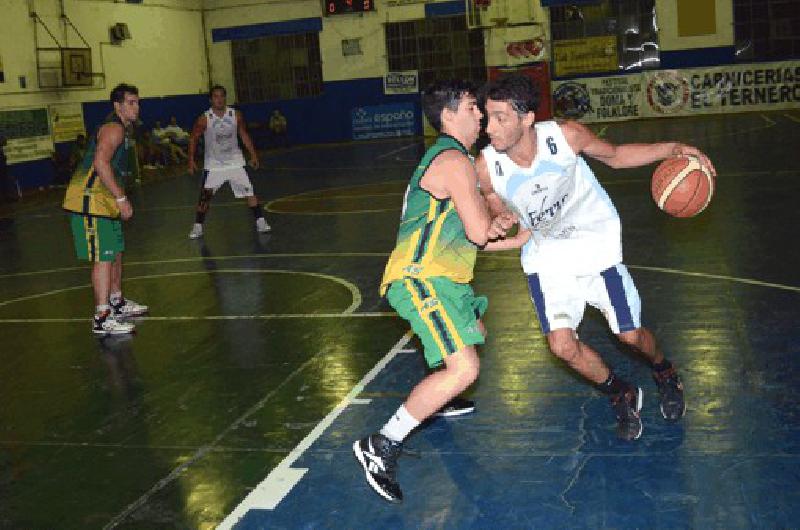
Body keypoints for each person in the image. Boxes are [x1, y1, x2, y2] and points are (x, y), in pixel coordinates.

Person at [476, 74, 716, 440]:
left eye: (500, 117)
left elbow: (616, 156)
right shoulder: (487, 165)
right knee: (561, 345)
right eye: (487, 116)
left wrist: (674, 149)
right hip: (547, 259)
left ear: (527, 119)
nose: (489, 127)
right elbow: (494, 203)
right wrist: (500, 217)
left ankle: (664, 370)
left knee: (631, 336)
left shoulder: (565, 136)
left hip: (595, 249)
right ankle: (621, 392)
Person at [352, 79, 512, 503]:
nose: (480, 115)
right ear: (449, 114)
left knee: (471, 331)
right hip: (421, 277)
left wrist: (517, 232)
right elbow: (479, 231)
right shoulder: (454, 162)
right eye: (473, 107)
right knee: (465, 369)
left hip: (444, 275)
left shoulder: (452, 158)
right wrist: (501, 225)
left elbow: (475, 229)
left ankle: (438, 397)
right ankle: (382, 444)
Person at [62, 83, 148, 334]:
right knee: (103, 256)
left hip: (105, 197)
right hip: (90, 198)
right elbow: (100, 163)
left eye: (137, 102)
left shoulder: (126, 130)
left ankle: (116, 301)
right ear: (117, 106)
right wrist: (121, 199)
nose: (136, 107)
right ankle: (101, 316)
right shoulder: (114, 128)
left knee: (115, 251)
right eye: (131, 102)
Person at [187, 85, 270, 238]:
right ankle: (198, 226)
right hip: (214, 164)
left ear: (225, 98)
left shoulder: (235, 115)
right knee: (205, 196)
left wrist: (253, 155)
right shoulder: (204, 119)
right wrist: (191, 160)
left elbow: (243, 134)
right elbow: (193, 138)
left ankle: (260, 221)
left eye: (222, 96)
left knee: (249, 190)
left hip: (235, 161)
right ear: (211, 100)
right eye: (216, 96)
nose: (219, 99)